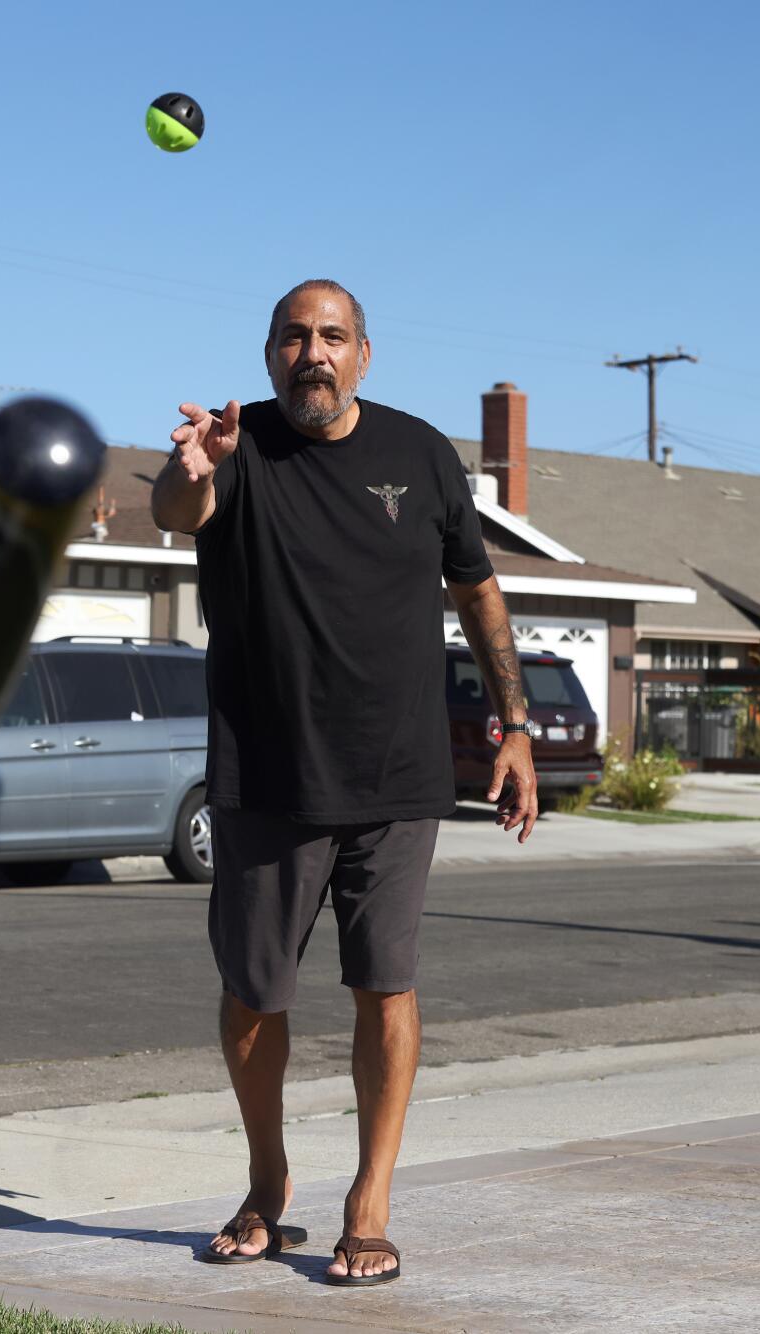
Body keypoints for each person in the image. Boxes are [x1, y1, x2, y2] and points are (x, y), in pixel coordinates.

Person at [152, 280, 539, 1288]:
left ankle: (367, 1202)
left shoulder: (418, 454)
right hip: (264, 774)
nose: (311, 352)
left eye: (330, 336)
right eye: (293, 335)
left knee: (386, 985)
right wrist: (192, 466)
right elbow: (177, 506)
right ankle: (266, 1182)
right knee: (250, 994)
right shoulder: (237, 449)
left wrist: (513, 723)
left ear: (363, 353)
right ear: (270, 351)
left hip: (397, 772)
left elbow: (475, 584)